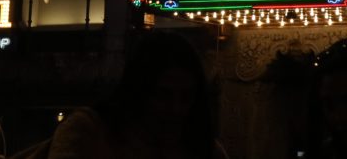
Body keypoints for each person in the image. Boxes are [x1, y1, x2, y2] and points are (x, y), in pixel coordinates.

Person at [48, 30, 227, 159]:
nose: (176, 108)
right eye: (163, 95)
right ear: (138, 91)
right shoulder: (87, 132)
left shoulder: (204, 148)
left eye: (186, 97)